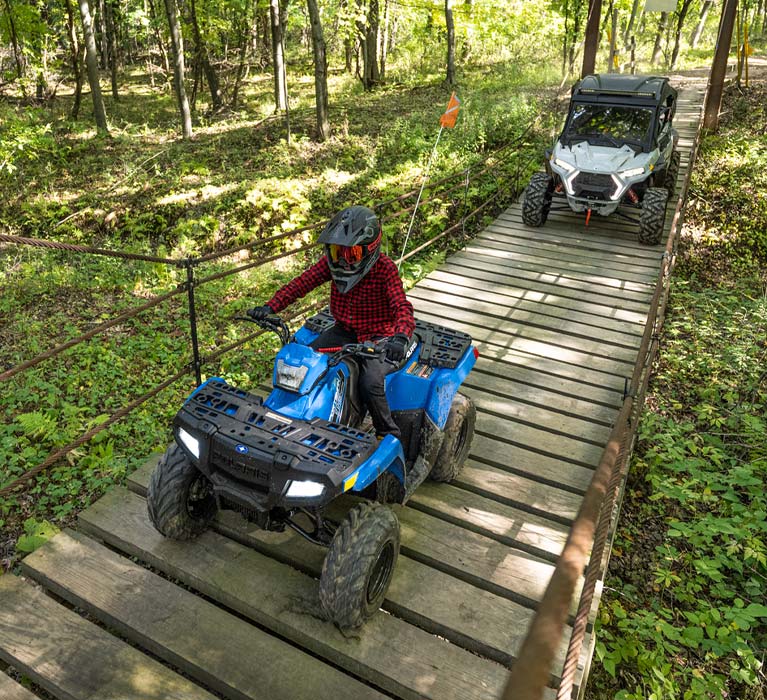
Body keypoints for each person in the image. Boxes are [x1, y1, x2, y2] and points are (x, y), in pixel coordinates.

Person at [248, 205, 415, 440]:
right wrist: (270, 307)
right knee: (309, 363)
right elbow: (302, 283)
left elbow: (401, 306)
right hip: (344, 330)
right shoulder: (331, 265)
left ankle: (387, 433)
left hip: (379, 336)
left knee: (370, 382)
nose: (343, 261)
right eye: (337, 252)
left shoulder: (384, 269)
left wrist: (401, 336)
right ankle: (306, 415)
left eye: (351, 254)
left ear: (370, 249)